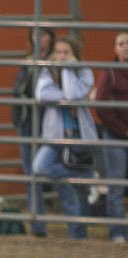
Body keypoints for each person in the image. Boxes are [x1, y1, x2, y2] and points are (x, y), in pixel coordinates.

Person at [32, 36, 97, 240]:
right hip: (55, 136)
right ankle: (73, 178)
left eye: (66, 52)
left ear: (75, 55)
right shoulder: (48, 70)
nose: (61, 56)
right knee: (41, 166)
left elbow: (73, 92)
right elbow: (42, 94)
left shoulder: (84, 71)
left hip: (80, 137)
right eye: (58, 52)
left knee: (80, 192)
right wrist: (67, 98)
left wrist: (68, 69)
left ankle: (78, 236)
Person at [12, 28, 56, 237]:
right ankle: (38, 225)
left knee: (61, 171)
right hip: (28, 123)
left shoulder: (58, 60)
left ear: (51, 37)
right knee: (31, 175)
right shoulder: (27, 62)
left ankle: (77, 224)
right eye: (35, 35)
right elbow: (19, 91)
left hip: (53, 125)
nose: (40, 39)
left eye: (44, 34)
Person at [93, 31, 128, 243]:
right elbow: (102, 104)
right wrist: (123, 130)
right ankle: (117, 232)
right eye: (121, 43)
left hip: (119, 132)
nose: (125, 47)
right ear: (115, 48)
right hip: (115, 135)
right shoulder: (110, 72)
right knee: (116, 184)